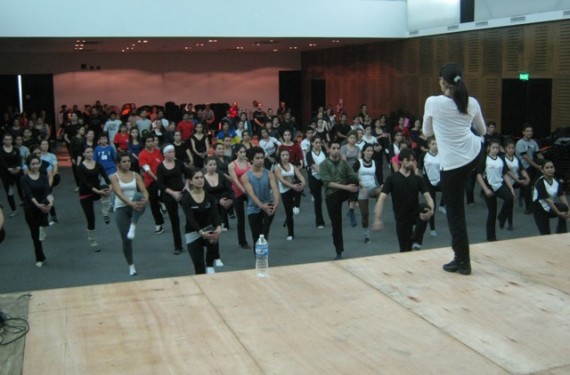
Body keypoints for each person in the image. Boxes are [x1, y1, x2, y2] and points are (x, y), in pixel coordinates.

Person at [423, 62, 486, 275]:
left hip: (451, 166)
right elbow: (482, 130)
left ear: (442, 81)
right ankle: (461, 259)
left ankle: (463, 262)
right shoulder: (472, 102)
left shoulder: (433, 102)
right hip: (475, 155)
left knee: (455, 214)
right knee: (457, 210)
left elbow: (426, 131)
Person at [373, 148, 434, 251]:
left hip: (415, 212)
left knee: (425, 208)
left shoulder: (417, 179)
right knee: (405, 249)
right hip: (401, 217)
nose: (411, 162)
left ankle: (416, 240)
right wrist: (377, 219)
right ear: (401, 161)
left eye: (413, 160)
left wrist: (431, 212)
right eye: (408, 160)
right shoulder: (392, 179)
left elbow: (428, 197)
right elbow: (381, 199)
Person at [319, 140, 360, 259]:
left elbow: (352, 176)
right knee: (336, 224)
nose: (336, 150)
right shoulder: (324, 164)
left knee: (354, 180)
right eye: (334, 148)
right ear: (329, 150)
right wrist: (346, 187)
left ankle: (351, 208)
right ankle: (339, 250)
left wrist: (360, 185)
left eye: (338, 148)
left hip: (343, 192)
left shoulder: (344, 163)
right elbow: (327, 183)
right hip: (332, 194)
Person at [111, 153, 148, 276]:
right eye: (124, 161)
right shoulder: (114, 177)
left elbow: (144, 191)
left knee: (138, 195)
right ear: (119, 163)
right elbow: (118, 193)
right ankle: (131, 265)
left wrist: (145, 200)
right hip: (122, 207)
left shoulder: (136, 175)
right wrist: (130, 204)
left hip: (137, 205)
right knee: (126, 240)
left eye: (128, 161)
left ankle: (133, 225)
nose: (127, 163)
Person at [180, 167, 223, 275]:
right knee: (199, 267)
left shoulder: (209, 197)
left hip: (208, 230)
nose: (200, 180)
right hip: (193, 233)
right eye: (196, 178)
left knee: (213, 235)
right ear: (190, 181)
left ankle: (210, 264)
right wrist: (201, 232)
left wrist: (218, 227)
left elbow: (215, 215)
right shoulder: (186, 199)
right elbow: (190, 219)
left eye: (201, 177)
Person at [241, 147, 280, 252]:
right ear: (251, 160)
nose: (260, 160)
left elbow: (275, 189)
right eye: (257, 158)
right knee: (256, 237)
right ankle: (258, 261)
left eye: (262, 158)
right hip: (253, 209)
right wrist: (262, 206)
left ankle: (263, 260)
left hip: (268, 207)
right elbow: (251, 194)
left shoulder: (269, 174)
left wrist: (276, 203)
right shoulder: (245, 176)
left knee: (264, 234)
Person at [476, 139, 515, 242]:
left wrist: (511, 188)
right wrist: (485, 189)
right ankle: (491, 237)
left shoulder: (501, 159)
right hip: (489, 186)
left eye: (497, 148)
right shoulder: (484, 158)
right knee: (492, 212)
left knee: (510, 198)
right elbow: (479, 175)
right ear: (489, 148)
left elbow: (504, 174)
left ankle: (501, 217)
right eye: (493, 148)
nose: (495, 150)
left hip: (499, 185)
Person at [21, 154, 54, 267]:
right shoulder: (24, 179)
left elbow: (47, 192)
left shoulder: (44, 177)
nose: (35, 166)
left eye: (37, 163)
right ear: (29, 165)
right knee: (35, 235)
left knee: (40, 230)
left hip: (43, 205)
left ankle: (43, 225)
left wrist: (51, 204)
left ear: (40, 164)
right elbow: (29, 195)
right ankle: (40, 258)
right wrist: (38, 205)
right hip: (30, 207)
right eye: (33, 164)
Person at [77, 144, 111, 251]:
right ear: (83, 154)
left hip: (97, 190)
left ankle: (105, 211)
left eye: (91, 152)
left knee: (105, 189)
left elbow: (106, 177)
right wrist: (98, 191)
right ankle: (93, 240)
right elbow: (85, 183)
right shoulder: (80, 167)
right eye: (87, 152)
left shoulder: (98, 165)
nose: (90, 154)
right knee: (91, 219)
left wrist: (110, 188)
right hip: (86, 193)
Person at [157, 144, 185, 255]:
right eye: (169, 152)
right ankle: (178, 246)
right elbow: (161, 185)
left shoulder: (179, 163)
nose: (172, 154)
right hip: (169, 194)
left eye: (173, 152)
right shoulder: (160, 167)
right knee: (175, 220)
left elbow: (188, 174)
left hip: (182, 192)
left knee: (191, 214)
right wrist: (173, 193)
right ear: (164, 154)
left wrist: (186, 187)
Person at [274, 148, 306, 240]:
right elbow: (281, 180)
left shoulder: (293, 166)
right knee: (289, 214)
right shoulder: (277, 167)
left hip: (294, 189)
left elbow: (300, 176)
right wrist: (292, 186)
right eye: (283, 155)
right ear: (280, 157)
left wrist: (303, 183)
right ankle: (290, 233)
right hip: (285, 191)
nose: (285, 157)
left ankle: (297, 205)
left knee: (299, 184)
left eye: (287, 155)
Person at [353, 144, 381, 244]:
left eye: (372, 151)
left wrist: (381, 186)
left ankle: (377, 209)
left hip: (372, 188)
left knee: (381, 191)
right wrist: (360, 185)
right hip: (362, 190)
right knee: (365, 215)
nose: (370, 152)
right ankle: (366, 235)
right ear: (364, 152)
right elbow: (352, 176)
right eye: (368, 150)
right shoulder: (358, 163)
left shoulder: (375, 163)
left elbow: (380, 177)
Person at [138, 133, 165, 234]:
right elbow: (147, 169)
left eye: (151, 141)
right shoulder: (142, 155)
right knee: (153, 204)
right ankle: (158, 224)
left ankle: (162, 202)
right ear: (144, 143)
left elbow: (163, 163)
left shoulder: (158, 152)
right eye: (148, 142)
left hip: (161, 179)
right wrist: (156, 178)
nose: (150, 143)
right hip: (150, 182)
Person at [532, 160, 569, 235]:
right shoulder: (540, 183)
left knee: (564, 207)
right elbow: (548, 201)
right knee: (546, 235)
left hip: (549, 208)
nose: (550, 169)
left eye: (551, 167)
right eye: (547, 168)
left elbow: (561, 195)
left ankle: (561, 233)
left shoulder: (556, 181)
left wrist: (569, 210)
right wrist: (559, 213)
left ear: (554, 169)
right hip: (540, 211)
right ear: (542, 170)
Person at [515, 124, 544, 214]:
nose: (529, 133)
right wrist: (537, 166)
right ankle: (528, 207)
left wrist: (545, 164)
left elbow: (539, 154)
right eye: (527, 131)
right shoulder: (520, 143)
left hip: (531, 167)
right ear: (523, 132)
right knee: (527, 187)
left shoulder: (533, 142)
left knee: (528, 186)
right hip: (522, 167)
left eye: (531, 131)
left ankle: (521, 196)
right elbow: (526, 158)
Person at [228, 144, 252, 249]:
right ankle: (242, 242)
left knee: (254, 214)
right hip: (237, 192)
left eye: (244, 152)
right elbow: (235, 180)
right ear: (236, 153)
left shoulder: (249, 163)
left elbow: (251, 177)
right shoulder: (231, 165)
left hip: (248, 190)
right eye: (241, 152)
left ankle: (257, 236)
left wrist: (250, 190)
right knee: (241, 218)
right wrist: (243, 190)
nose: (243, 154)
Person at [503, 139, 530, 229]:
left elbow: (522, 170)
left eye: (513, 148)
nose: (511, 150)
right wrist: (518, 181)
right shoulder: (502, 159)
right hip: (506, 182)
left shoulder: (517, 159)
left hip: (516, 180)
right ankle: (510, 223)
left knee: (527, 185)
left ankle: (525, 202)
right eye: (509, 148)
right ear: (505, 149)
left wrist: (527, 178)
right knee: (510, 202)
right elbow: (507, 172)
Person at [422, 137, 446, 237]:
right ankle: (432, 228)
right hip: (428, 183)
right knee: (432, 206)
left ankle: (442, 205)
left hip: (439, 180)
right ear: (429, 145)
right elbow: (419, 169)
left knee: (449, 189)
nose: (434, 146)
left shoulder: (441, 155)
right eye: (432, 144)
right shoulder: (424, 156)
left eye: (436, 144)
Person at [204, 156, 234, 234]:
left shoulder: (221, 176)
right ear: (205, 166)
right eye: (210, 165)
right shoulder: (202, 179)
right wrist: (217, 201)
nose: (213, 167)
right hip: (209, 206)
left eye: (214, 164)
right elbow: (204, 196)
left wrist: (230, 201)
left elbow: (231, 190)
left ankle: (223, 222)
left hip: (223, 205)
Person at [306, 136, 327, 229]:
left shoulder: (324, 153)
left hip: (324, 177)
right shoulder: (309, 154)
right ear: (312, 143)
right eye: (316, 142)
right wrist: (323, 174)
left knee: (331, 197)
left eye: (320, 143)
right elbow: (314, 166)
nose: (318, 144)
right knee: (318, 200)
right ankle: (319, 222)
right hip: (314, 177)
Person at [340, 130, 360, 227]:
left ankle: (351, 210)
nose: (353, 139)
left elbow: (359, 161)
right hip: (346, 171)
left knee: (354, 183)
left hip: (356, 170)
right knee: (353, 182)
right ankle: (352, 208)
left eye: (355, 138)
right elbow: (344, 161)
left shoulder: (358, 148)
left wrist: (355, 172)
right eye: (351, 138)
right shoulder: (343, 148)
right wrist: (351, 173)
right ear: (348, 138)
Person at [0, 133, 23, 217]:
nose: (8, 141)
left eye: (9, 139)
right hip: (6, 174)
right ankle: (14, 210)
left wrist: (18, 167)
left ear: (12, 140)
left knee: (21, 188)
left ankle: (24, 203)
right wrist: (8, 169)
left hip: (17, 172)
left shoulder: (16, 149)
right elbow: (2, 161)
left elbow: (19, 159)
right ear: (3, 140)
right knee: (10, 192)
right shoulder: (1, 150)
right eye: (6, 139)